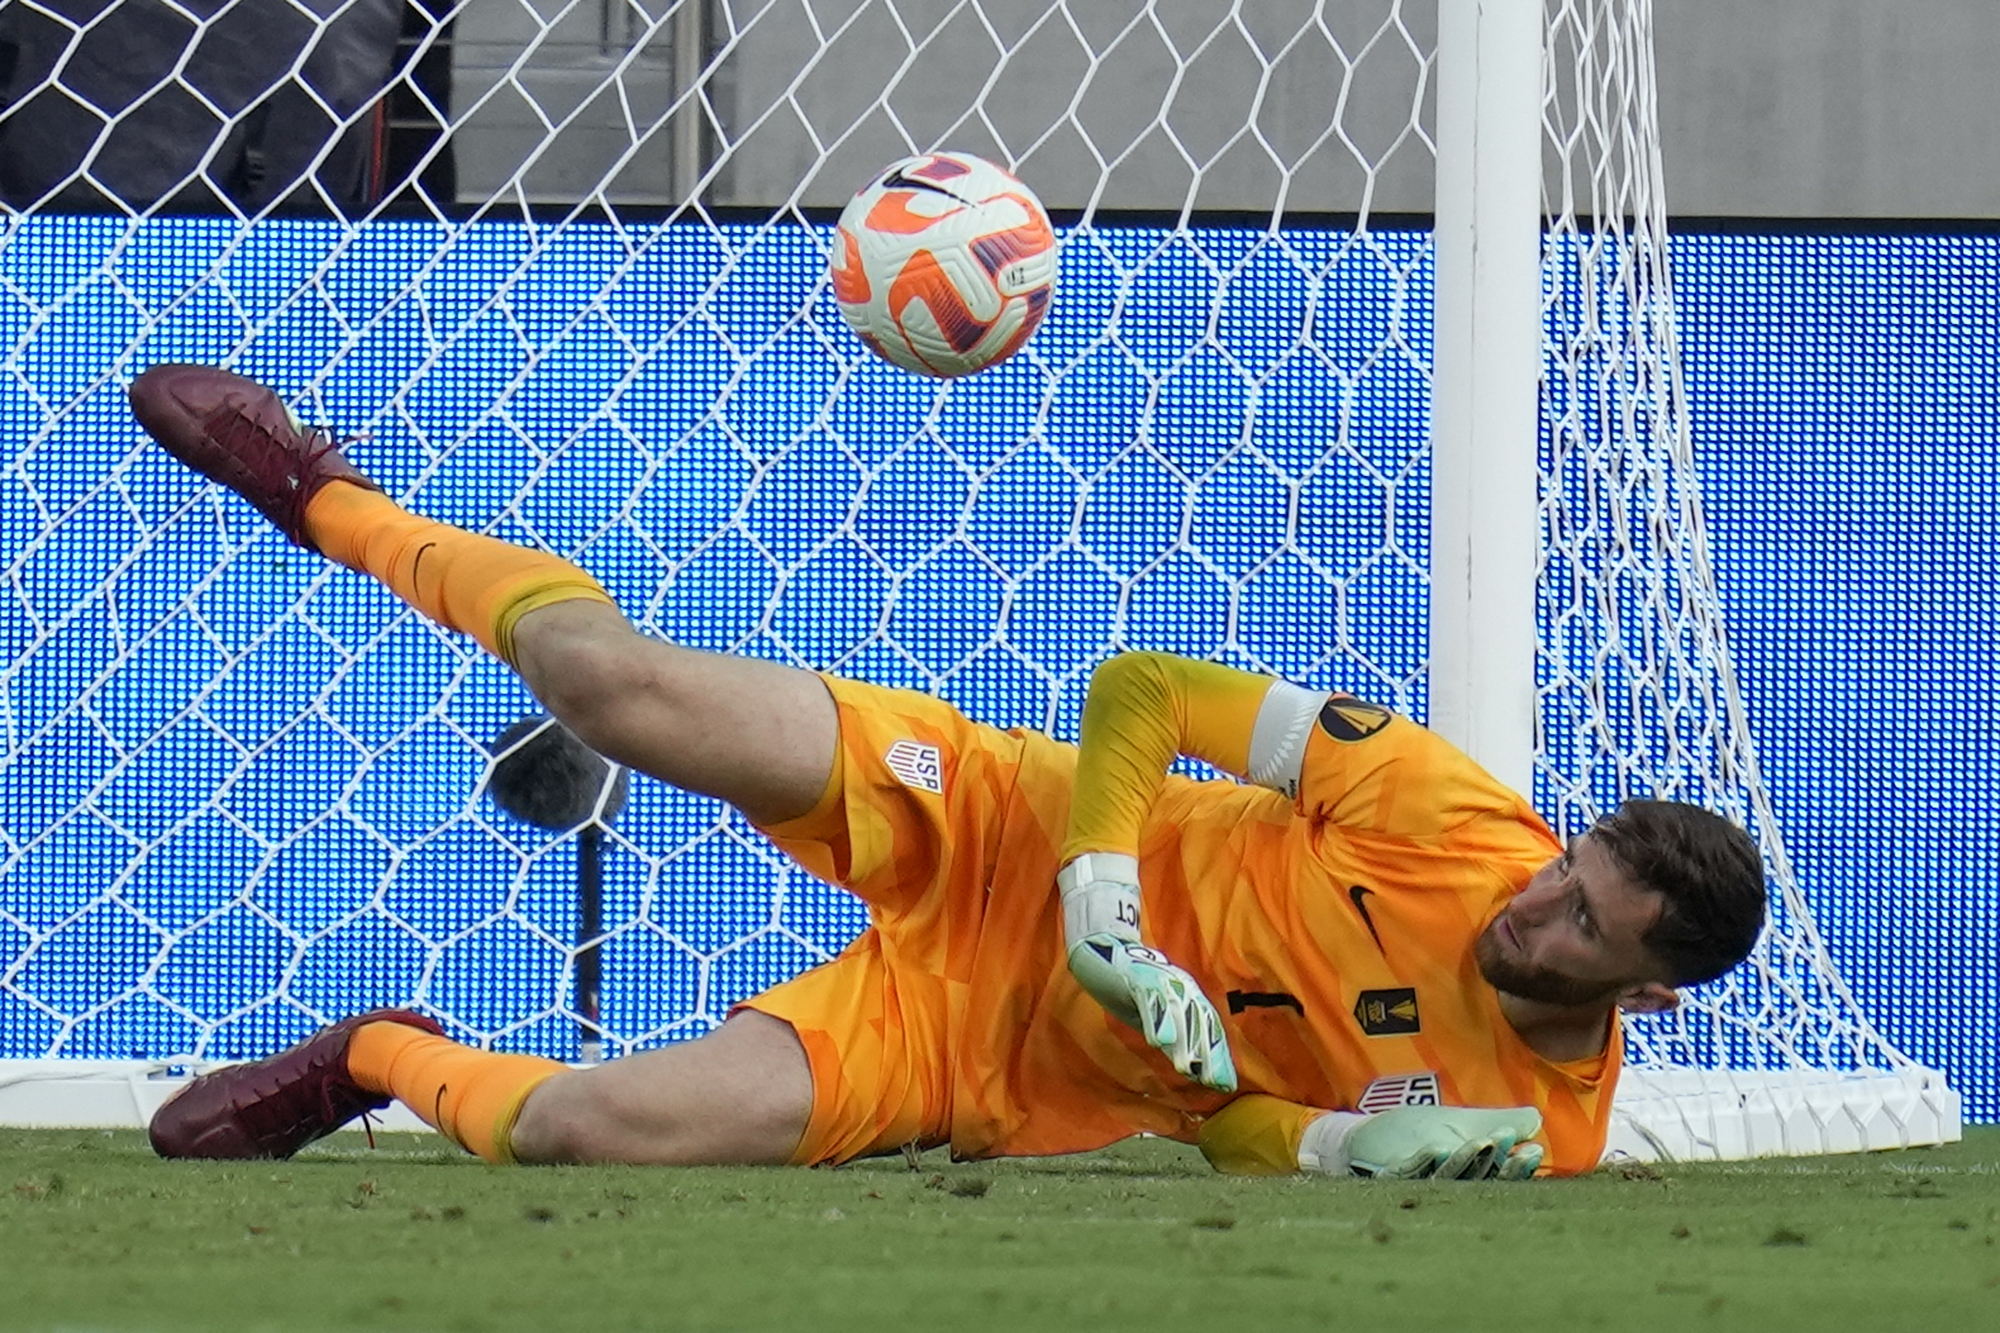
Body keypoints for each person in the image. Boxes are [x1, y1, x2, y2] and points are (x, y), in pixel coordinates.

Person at [129, 364, 1768, 1182]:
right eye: (1566, 871)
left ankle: (375, 1052)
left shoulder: (1532, 1129)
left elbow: (1241, 1133)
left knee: (600, 1129)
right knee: (612, 687)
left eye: (1579, 930)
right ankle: (329, 497)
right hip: (1000, 818)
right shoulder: (1447, 811)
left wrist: (1327, 1150)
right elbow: (1146, 689)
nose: (1535, 905)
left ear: (1648, 994)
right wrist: (1106, 892)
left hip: (988, 1048)